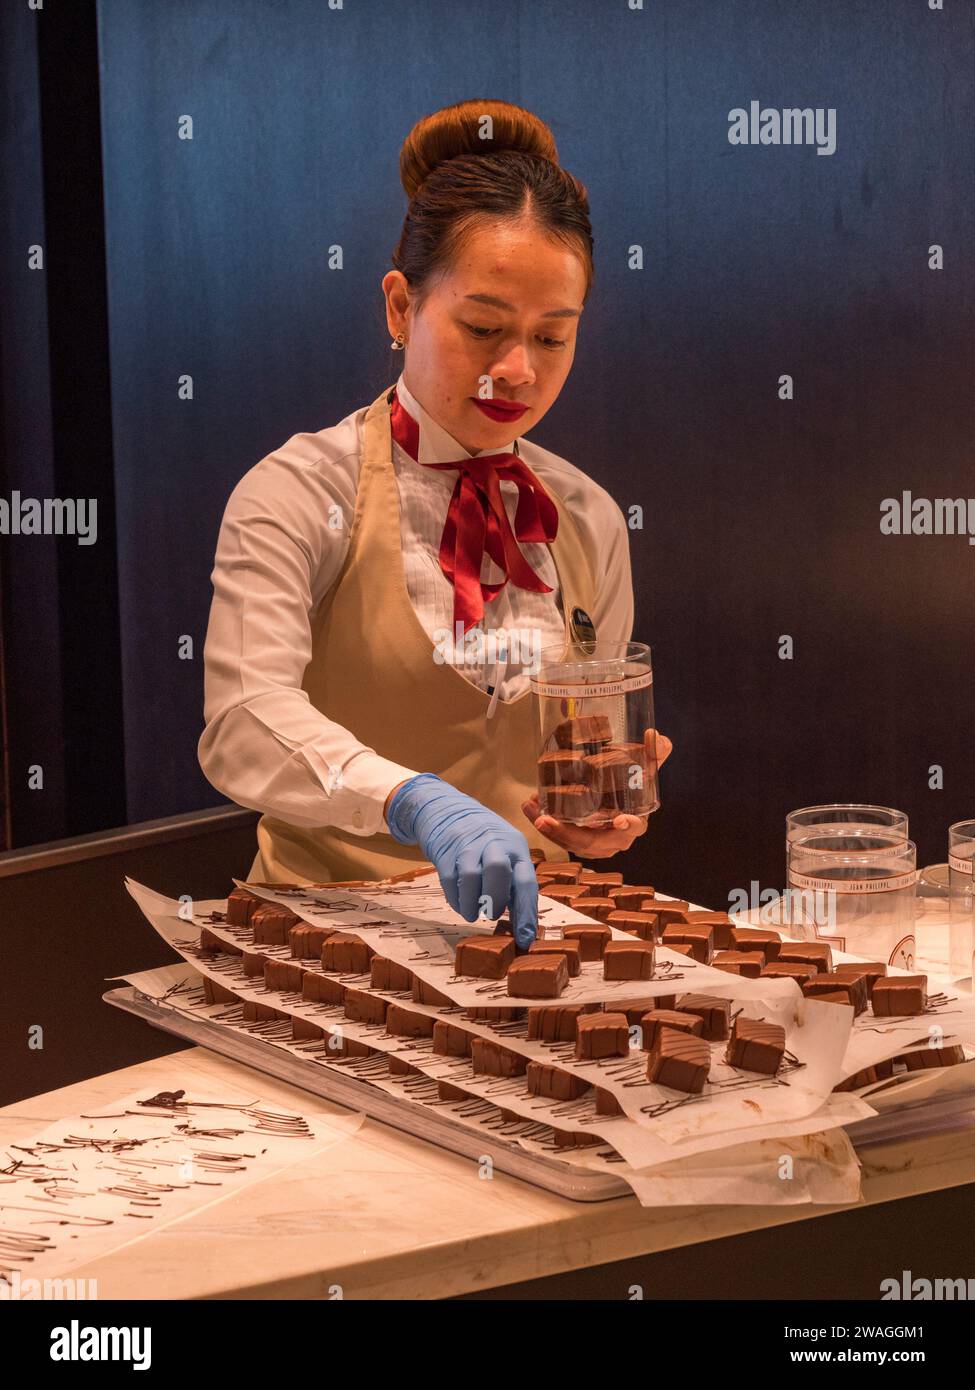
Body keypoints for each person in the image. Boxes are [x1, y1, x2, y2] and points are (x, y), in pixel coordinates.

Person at [198, 98, 671, 947]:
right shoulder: (299, 492)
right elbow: (243, 719)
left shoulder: (589, 516)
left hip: (532, 942)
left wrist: (597, 812)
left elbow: (584, 748)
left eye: (553, 337)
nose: (516, 370)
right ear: (397, 306)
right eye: (483, 327)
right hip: (325, 941)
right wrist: (409, 801)